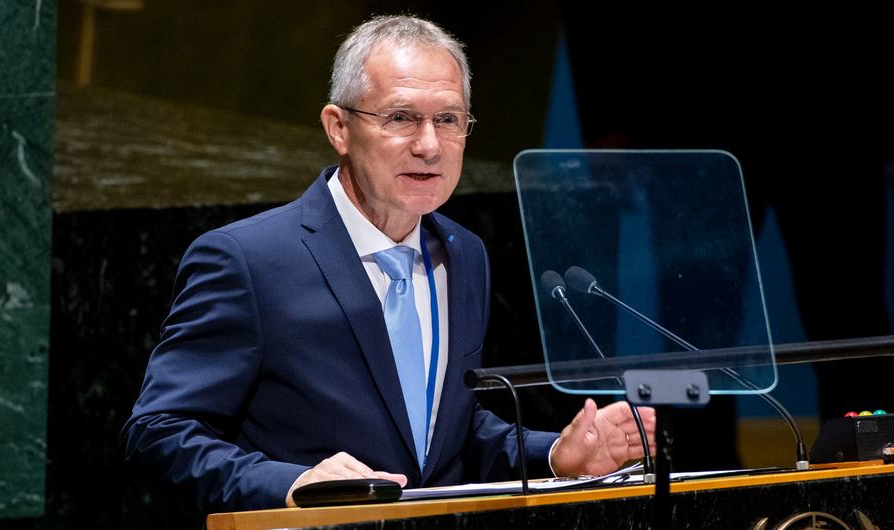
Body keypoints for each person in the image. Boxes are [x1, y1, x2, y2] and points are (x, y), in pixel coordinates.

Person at [121, 15, 655, 514]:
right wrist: (287, 484)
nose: (429, 146)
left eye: (448, 120)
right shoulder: (248, 260)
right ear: (338, 128)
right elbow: (158, 432)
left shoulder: (465, 253)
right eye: (401, 118)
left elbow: (442, 435)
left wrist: (556, 454)